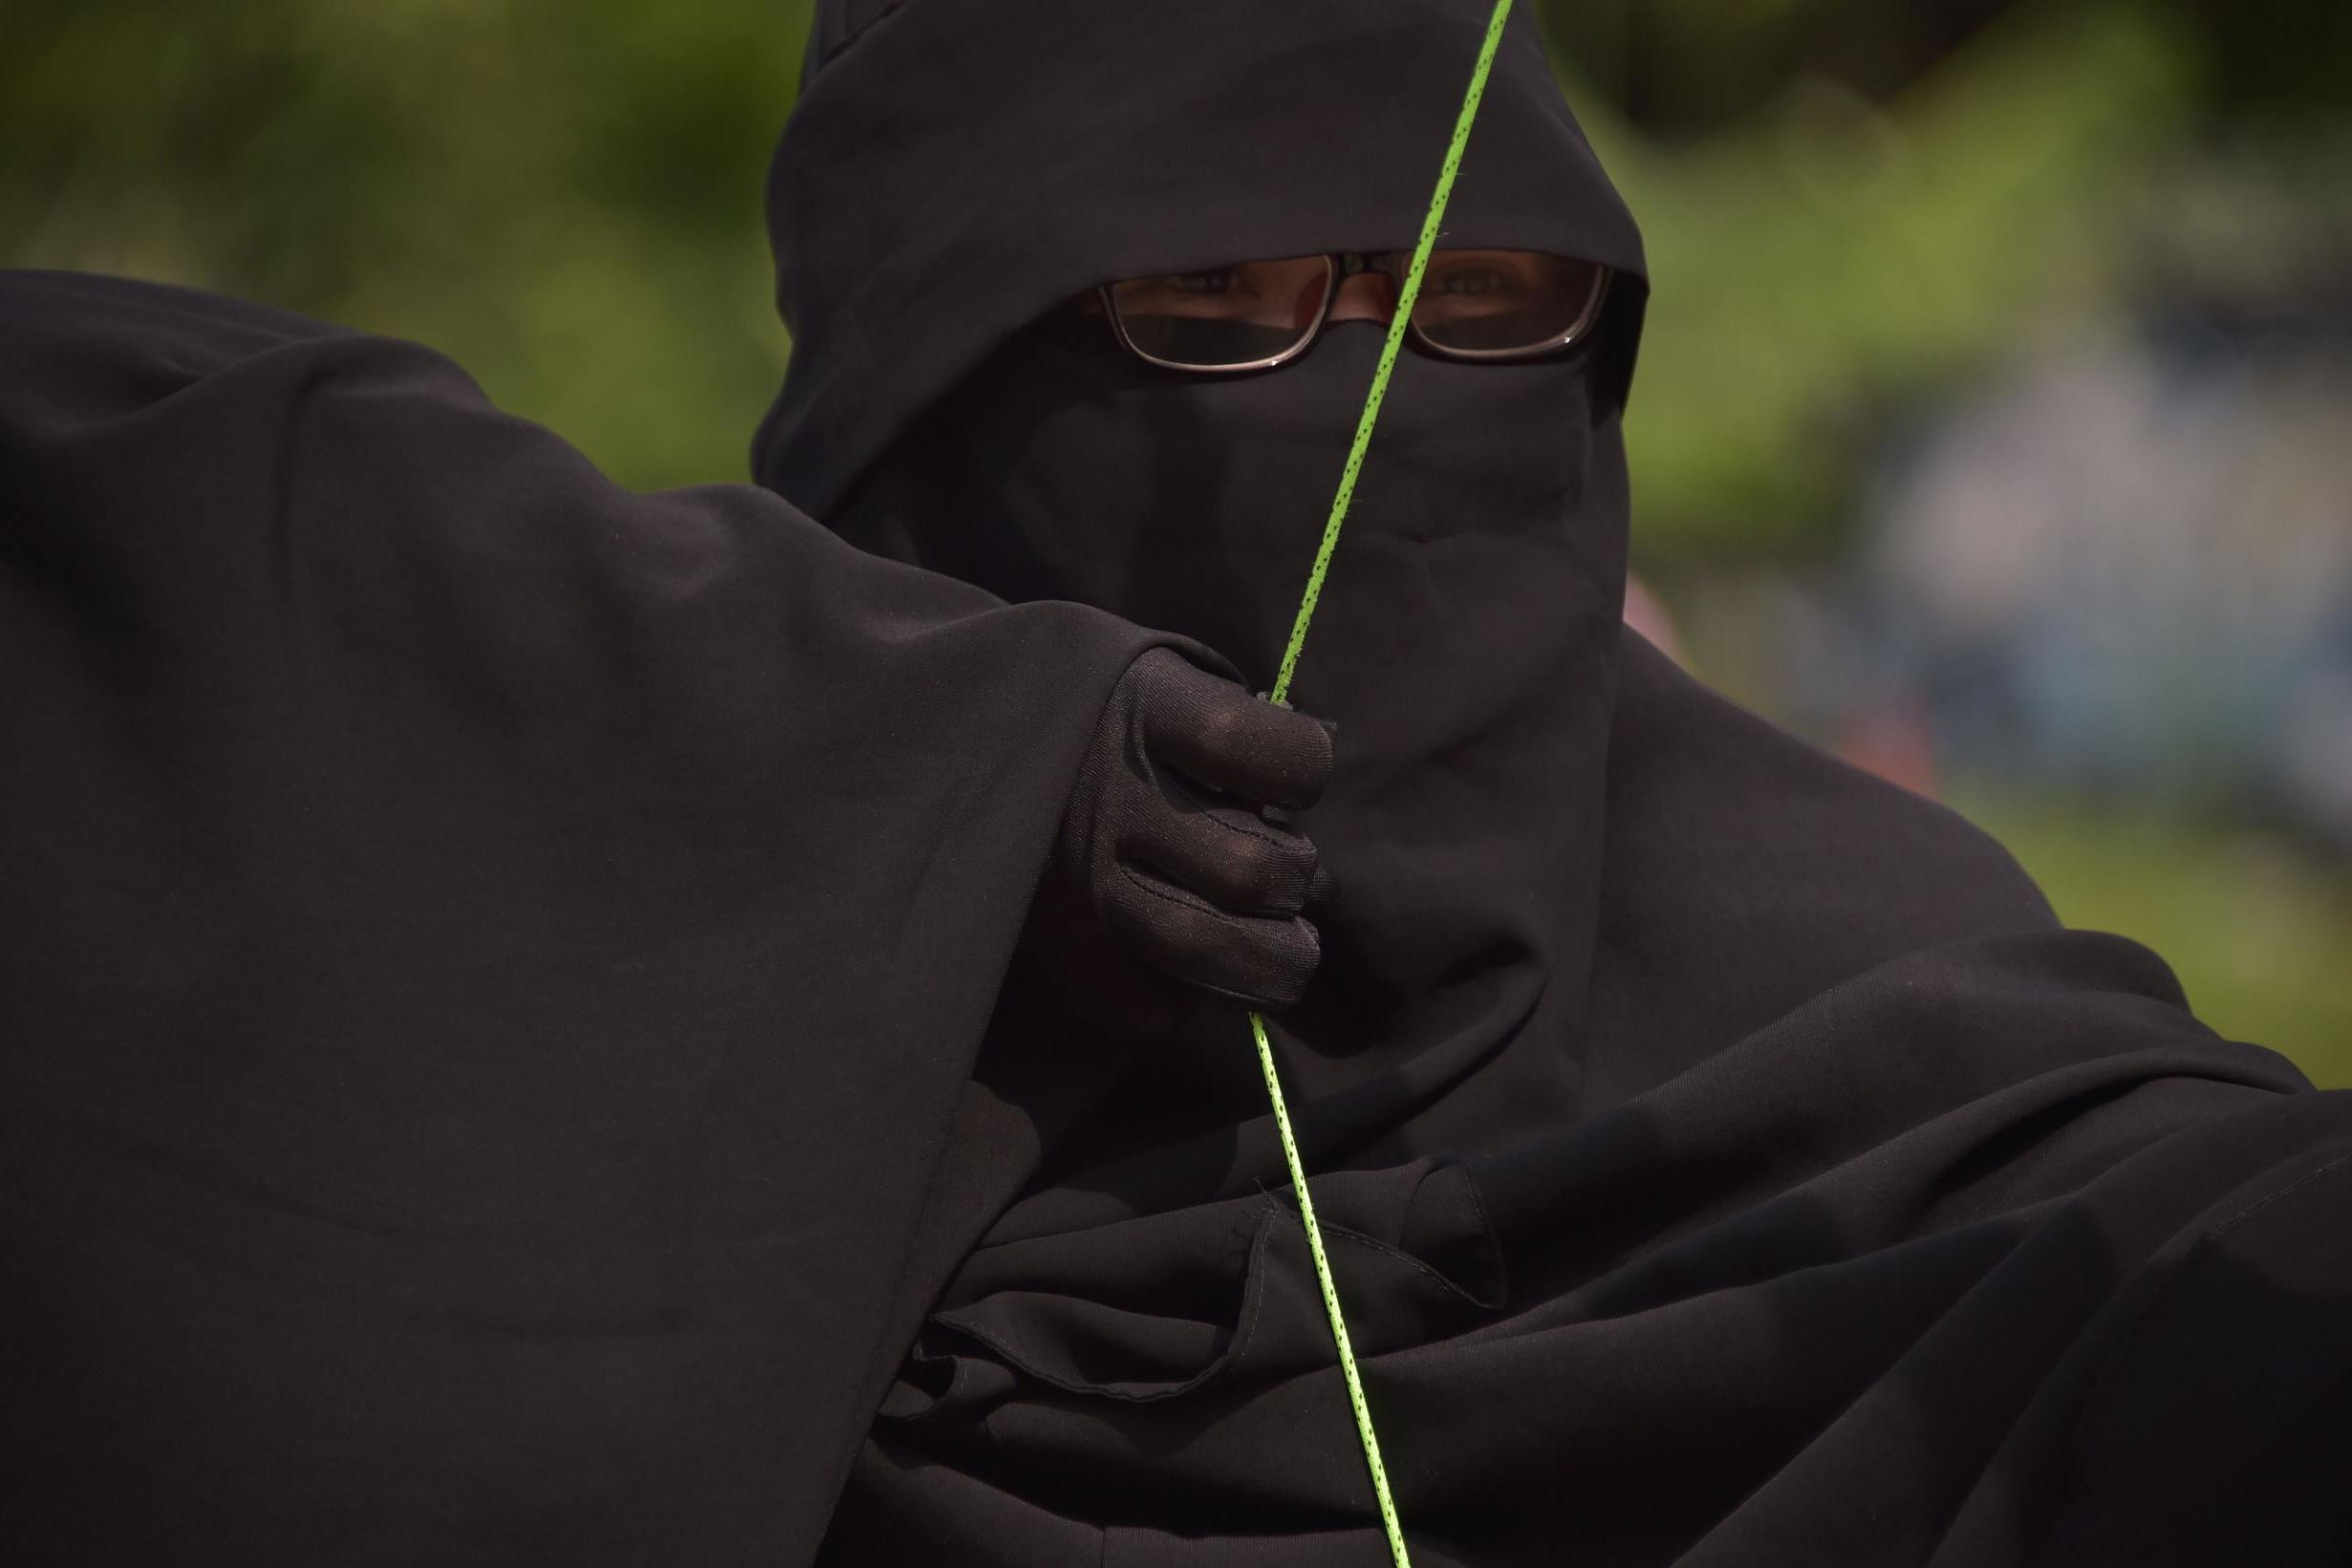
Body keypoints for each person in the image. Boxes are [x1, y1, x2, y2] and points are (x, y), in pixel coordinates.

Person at [2, 4, 2346, 1566]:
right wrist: (891, 750)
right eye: (1209, 310)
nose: (1370, 397)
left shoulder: (1892, 1047)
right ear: (928, 389)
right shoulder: (605, 1001)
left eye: (1482, 297)